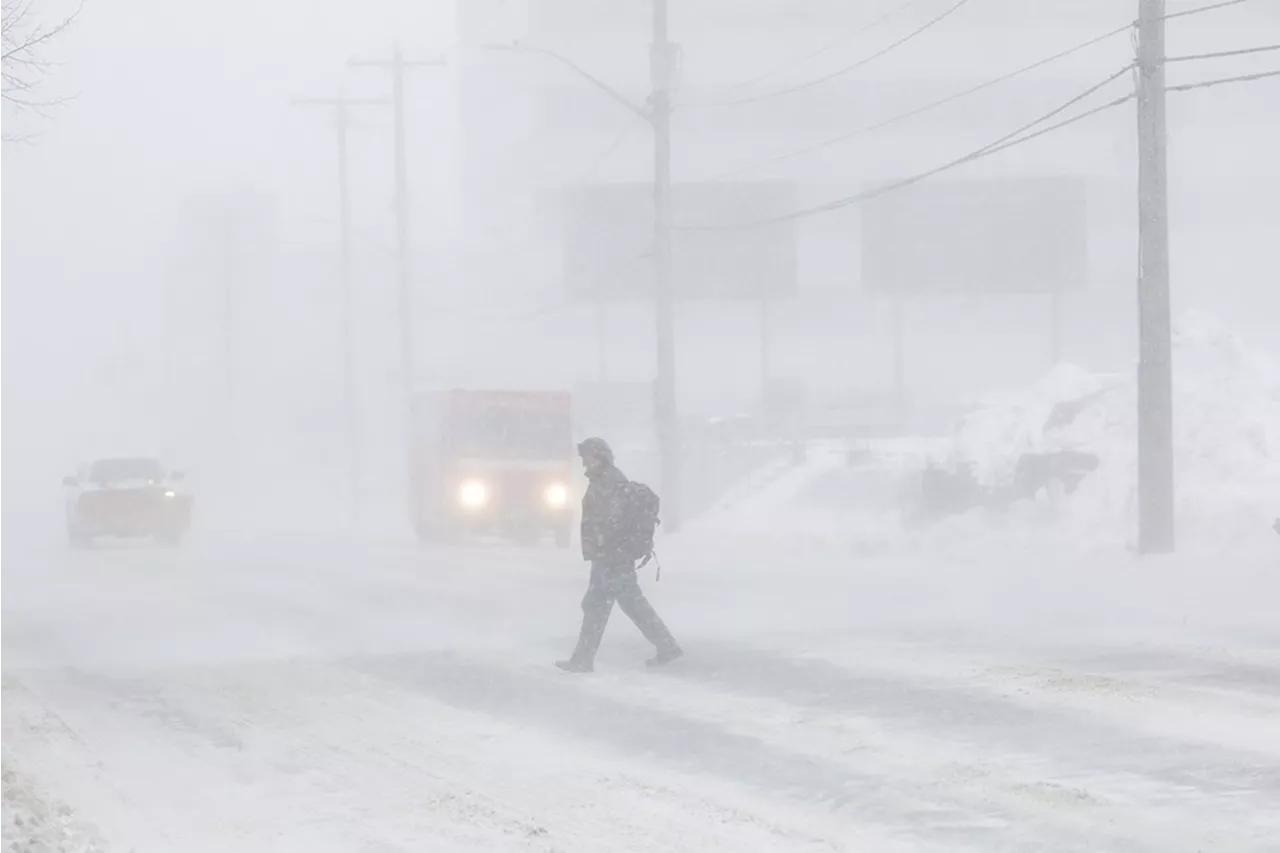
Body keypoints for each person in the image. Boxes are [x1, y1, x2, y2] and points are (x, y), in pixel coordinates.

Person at [556, 437, 682, 673]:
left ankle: (583, 660)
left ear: (598, 457)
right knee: (629, 605)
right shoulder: (605, 479)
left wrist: (604, 546)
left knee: (597, 607)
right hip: (612, 555)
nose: (584, 463)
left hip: (611, 557)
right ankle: (667, 646)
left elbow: (611, 519)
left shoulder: (608, 481)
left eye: (587, 457)